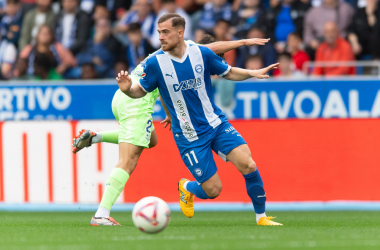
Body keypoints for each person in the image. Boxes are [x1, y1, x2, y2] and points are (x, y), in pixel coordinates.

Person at [72, 33, 271, 226]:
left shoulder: (171, 56)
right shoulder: (190, 50)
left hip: (122, 97)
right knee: (128, 160)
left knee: (150, 140)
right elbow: (212, 48)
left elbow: (163, 91)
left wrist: (168, 113)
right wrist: (243, 42)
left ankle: (95, 137)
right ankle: (101, 214)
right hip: (134, 98)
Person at [117, 13, 282, 226]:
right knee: (213, 190)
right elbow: (141, 91)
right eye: (159, 33)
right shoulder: (155, 63)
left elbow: (229, 72)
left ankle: (261, 218)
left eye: (165, 32)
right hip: (189, 136)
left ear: (180, 32)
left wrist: (253, 72)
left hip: (216, 124)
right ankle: (186, 187)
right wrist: (128, 89)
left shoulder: (201, 53)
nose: (161, 37)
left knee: (248, 164)